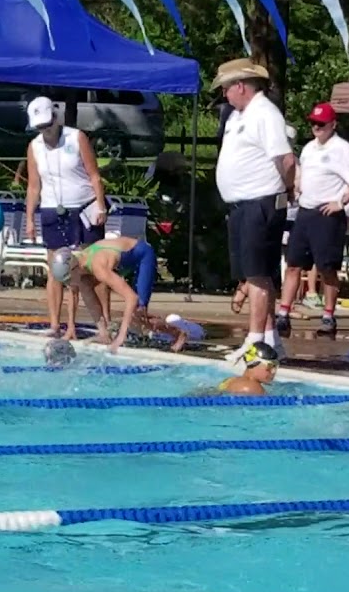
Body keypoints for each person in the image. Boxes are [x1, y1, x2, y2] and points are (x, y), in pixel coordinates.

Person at [211, 58, 295, 363]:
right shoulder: (237, 116)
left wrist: (287, 190)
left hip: (261, 202)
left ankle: (255, 341)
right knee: (254, 273)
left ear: (241, 86)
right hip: (242, 204)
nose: (224, 95)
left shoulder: (265, 114)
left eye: (225, 89)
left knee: (258, 274)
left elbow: (285, 160)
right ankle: (271, 339)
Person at [276, 102, 349, 339]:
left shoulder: (341, 148)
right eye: (313, 123)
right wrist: (296, 188)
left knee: (327, 268)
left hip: (327, 213)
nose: (317, 128)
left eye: (321, 124)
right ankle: (283, 313)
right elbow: (302, 173)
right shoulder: (309, 148)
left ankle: (328, 314)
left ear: (332, 125)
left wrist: (341, 202)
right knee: (294, 263)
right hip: (305, 210)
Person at [23, 96, 108, 339]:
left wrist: (100, 204)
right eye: (40, 127)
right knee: (55, 271)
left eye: (48, 124)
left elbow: (94, 175)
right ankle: (55, 324)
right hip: (52, 209)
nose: (45, 131)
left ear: (56, 118)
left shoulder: (76, 137)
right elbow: (33, 186)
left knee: (92, 270)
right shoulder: (34, 147)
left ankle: (105, 324)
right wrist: (29, 218)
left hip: (83, 208)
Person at [48, 239, 188, 353]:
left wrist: (121, 336)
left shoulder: (98, 267)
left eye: (69, 279)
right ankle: (104, 333)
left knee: (137, 315)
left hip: (143, 256)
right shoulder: (81, 265)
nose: (69, 284)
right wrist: (103, 333)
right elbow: (91, 302)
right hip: (124, 262)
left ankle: (177, 332)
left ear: (74, 268)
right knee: (85, 287)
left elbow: (131, 298)